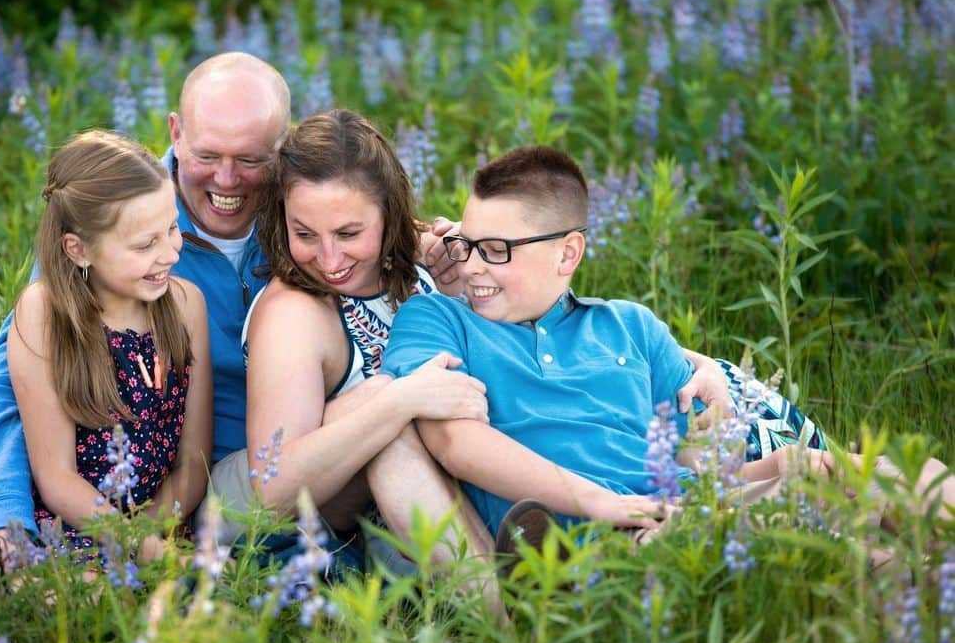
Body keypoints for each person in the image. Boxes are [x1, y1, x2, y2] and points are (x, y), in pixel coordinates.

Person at [0, 52, 457, 561]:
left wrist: (446, 250)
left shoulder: (303, 216)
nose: (226, 180)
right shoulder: (118, 220)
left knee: (396, 410)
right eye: (208, 155)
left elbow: (367, 227)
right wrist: (0, 523)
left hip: (305, 459)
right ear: (175, 132)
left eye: (250, 160)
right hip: (217, 490)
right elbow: (5, 394)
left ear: (282, 150)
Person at [380, 145, 954, 548]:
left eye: (497, 249)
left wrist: (769, 463)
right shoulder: (436, 320)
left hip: (684, 512)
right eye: (469, 245)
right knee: (863, 551)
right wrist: (607, 505)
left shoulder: (632, 327)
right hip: (598, 535)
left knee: (895, 476)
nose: (472, 267)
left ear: (567, 254)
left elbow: (693, 468)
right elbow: (456, 443)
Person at [220, 108, 495, 569]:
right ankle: (499, 616)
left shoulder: (421, 264)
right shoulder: (294, 312)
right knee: (383, 408)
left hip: (390, 493)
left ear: (388, 214)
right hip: (257, 511)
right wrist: (398, 402)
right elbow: (274, 489)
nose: (328, 259)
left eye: (349, 233)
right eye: (303, 233)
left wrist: (467, 279)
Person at [7, 130, 210, 557]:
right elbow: (55, 477)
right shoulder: (46, 313)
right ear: (79, 250)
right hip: (71, 526)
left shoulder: (186, 305)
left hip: (164, 521)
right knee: (85, 597)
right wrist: (133, 542)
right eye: (144, 244)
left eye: (171, 228)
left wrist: (150, 538)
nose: (171, 253)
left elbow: (194, 461)